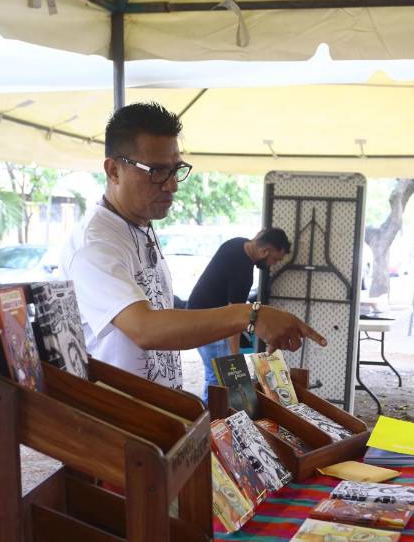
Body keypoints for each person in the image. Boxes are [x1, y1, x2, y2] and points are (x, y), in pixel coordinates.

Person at [57, 102, 324, 389]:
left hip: (157, 408)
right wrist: (249, 315)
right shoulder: (94, 245)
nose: (172, 185)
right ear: (113, 171)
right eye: (157, 171)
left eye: (175, 170)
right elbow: (144, 328)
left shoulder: (139, 225)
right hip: (117, 413)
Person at [186, 227, 291, 398]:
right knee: (220, 378)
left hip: (194, 314)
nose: (273, 264)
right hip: (209, 325)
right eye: (275, 259)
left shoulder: (236, 243)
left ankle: (213, 412)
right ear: (265, 251)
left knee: (217, 375)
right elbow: (234, 320)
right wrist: (234, 357)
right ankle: (211, 414)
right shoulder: (243, 273)